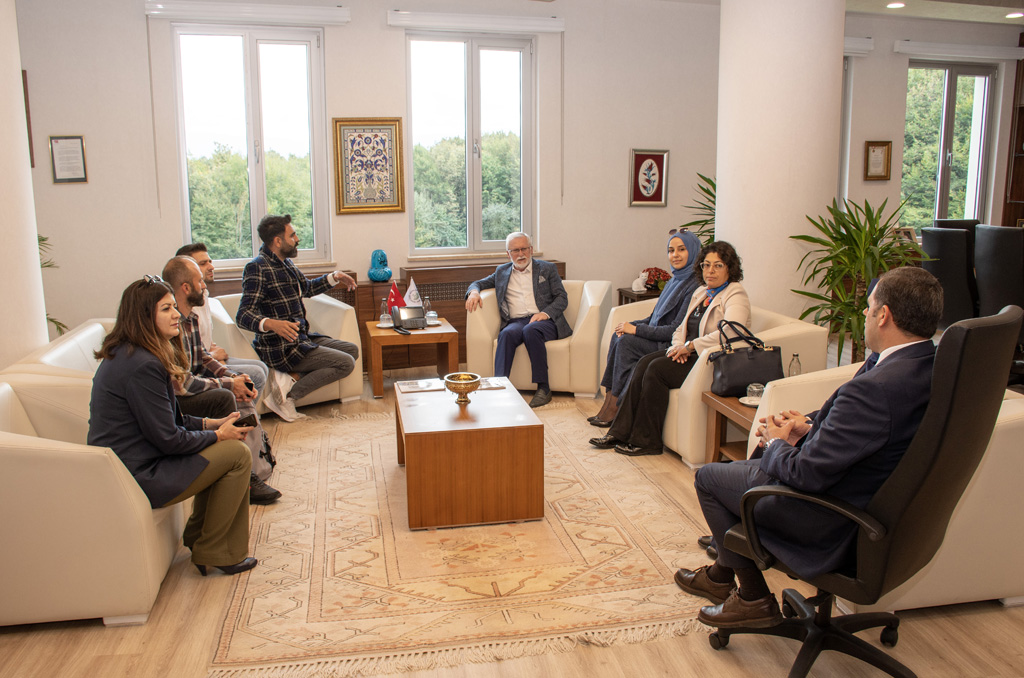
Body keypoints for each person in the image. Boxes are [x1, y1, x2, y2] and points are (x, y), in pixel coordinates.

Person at [675, 267, 942, 630]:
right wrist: (809, 426)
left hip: (828, 519)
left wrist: (776, 441)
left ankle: (753, 599)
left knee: (709, 479)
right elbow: (870, 434)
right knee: (747, 468)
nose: (864, 312)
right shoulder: (924, 366)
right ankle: (723, 571)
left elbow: (805, 474)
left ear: (884, 315)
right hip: (870, 503)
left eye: (869, 306)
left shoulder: (877, 389)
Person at [88, 276, 258, 577]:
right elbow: (169, 438)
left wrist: (212, 424)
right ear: (144, 316)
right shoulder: (143, 366)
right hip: (139, 474)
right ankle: (217, 550)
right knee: (237, 454)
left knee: (225, 446)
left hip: (134, 463)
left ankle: (200, 538)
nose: (177, 314)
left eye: (173, 307)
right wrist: (219, 436)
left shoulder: (129, 354)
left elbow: (168, 419)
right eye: (166, 309)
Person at [590, 241, 750, 456]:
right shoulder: (702, 292)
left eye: (718, 265)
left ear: (730, 268)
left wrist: (690, 346)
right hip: (688, 354)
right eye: (706, 265)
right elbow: (681, 327)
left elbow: (731, 331)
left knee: (656, 370)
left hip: (710, 360)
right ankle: (619, 432)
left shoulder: (735, 294)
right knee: (644, 363)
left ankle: (647, 441)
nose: (710, 271)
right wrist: (678, 347)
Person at [162, 256, 281, 505]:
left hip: (191, 387)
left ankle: (252, 463)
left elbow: (202, 358)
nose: (204, 285)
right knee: (225, 396)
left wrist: (233, 377)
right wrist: (228, 385)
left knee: (242, 389)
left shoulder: (191, 318)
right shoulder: (169, 326)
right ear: (186, 288)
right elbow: (182, 384)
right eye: (199, 281)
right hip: (176, 399)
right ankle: (245, 476)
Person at [236, 214, 360, 422]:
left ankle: (289, 378)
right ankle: (286, 398)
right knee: (346, 363)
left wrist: (334, 277)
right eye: (292, 235)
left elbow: (307, 288)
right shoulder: (257, 267)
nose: (297, 239)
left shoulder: (286, 263)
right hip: (280, 346)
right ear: (278, 241)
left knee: (352, 350)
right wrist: (271, 324)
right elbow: (243, 314)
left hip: (301, 339)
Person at [590, 230, 702, 426]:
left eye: (681, 250)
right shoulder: (674, 280)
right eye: (671, 250)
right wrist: (631, 325)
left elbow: (674, 329)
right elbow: (653, 318)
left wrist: (636, 330)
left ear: (693, 251)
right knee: (618, 336)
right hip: (655, 337)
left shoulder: (694, 286)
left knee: (626, 343)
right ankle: (609, 400)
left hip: (668, 344)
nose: (675, 255)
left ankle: (616, 406)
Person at [465, 232, 570, 408]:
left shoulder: (547, 269)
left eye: (524, 249)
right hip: (517, 322)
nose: (521, 254)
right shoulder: (502, 272)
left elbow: (562, 298)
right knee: (506, 334)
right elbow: (478, 283)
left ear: (531, 250)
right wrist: (474, 292)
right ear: (508, 254)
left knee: (531, 330)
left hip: (545, 321)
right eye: (515, 250)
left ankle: (543, 388)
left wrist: (545, 313)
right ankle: (499, 386)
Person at [174, 242, 270, 399]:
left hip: (207, 358)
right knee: (256, 374)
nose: (211, 267)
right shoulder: (185, 307)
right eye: (203, 263)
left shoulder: (203, 296)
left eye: (210, 261)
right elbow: (187, 362)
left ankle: (243, 412)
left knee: (260, 367)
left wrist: (222, 365)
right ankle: (239, 412)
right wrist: (215, 359)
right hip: (197, 370)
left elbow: (200, 342)